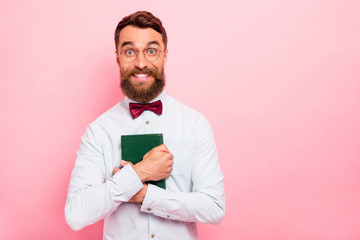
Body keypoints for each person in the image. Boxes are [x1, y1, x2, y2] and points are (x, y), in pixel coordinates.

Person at [65, 11, 225, 240]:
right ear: (118, 58)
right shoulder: (98, 131)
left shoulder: (195, 124)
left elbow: (214, 207)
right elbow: (76, 214)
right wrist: (139, 173)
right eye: (130, 52)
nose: (141, 63)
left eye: (151, 51)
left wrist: (145, 195)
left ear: (165, 56)